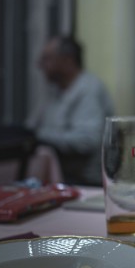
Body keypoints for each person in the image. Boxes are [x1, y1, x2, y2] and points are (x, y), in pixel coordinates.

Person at [25, 35, 114, 186]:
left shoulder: (88, 89)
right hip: (58, 177)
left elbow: (87, 141)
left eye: (47, 59)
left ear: (68, 60)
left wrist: (38, 136)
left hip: (83, 182)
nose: (40, 65)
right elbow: (32, 127)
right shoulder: (54, 91)